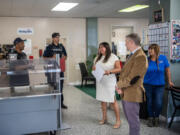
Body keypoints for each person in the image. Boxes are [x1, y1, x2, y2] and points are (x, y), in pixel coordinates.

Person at [116, 33, 148, 135]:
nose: (125, 45)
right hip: (126, 92)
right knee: (130, 120)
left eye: (126, 42)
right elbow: (126, 73)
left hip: (133, 93)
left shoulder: (140, 57)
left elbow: (133, 79)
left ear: (131, 42)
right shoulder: (132, 55)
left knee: (133, 122)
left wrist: (118, 85)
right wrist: (121, 87)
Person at [143, 44, 174, 127]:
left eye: (151, 49)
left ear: (156, 50)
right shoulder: (147, 60)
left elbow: (167, 71)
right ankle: (150, 118)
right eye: (149, 49)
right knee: (149, 102)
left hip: (159, 86)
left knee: (158, 103)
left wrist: (169, 81)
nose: (149, 51)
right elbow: (142, 72)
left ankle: (156, 117)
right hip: (147, 85)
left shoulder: (163, 58)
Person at [93, 42, 121, 129]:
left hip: (109, 81)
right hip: (100, 81)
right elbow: (94, 68)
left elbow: (119, 69)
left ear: (107, 48)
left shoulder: (113, 57)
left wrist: (110, 71)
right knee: (103, 100)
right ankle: (104, 118)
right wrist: (93, 69)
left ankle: (118, 120)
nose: (101, 49)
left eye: (103, 47)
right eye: (100, 47)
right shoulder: (97, 57)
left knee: (113, 101)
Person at [43, 32, 68, 109]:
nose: (58, 38)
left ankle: (60, 103)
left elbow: (66, 56)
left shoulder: (61, 46)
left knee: (60, 87)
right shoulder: (49, 47)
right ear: (53, 38)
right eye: (56, 37)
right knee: (53, 86)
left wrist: (64, 57)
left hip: (60, 70)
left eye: (58, 37)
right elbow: (44, 58)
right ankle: (52, 103)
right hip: (52, 71)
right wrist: (52, 58)